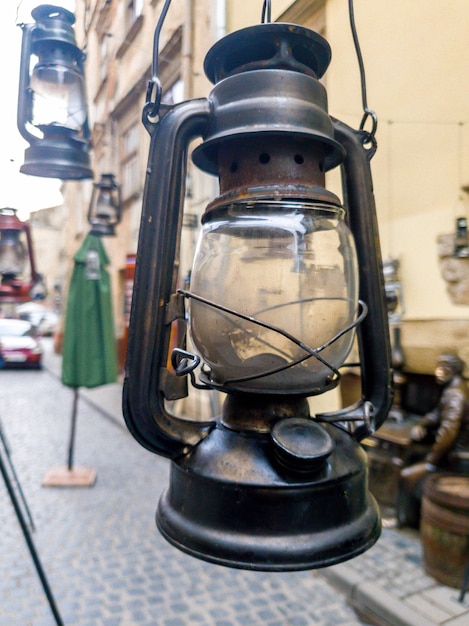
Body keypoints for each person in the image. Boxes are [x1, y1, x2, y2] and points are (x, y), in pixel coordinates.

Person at [396, 352, 469, 528]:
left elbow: (448, 433)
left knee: (405, 475)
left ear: (455, 371)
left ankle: (403, 520)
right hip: (450, 454)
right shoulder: (455, 389)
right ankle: (414, 516)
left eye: (444, 368)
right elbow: (437, 414)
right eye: (439, 366)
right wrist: (422, 423)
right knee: (411, 455)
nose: (438, 371)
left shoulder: (456, 395)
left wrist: (430, 462)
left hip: (455, 459)